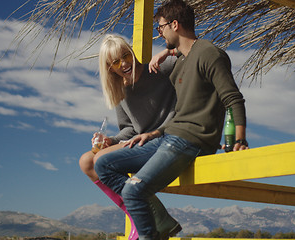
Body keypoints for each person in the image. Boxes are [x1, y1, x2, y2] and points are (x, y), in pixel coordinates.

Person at [94, 1, 249, 240]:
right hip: (169, 137)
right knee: (102, 164)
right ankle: (160, 226)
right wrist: (153, 133)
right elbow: (182, 112)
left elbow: (233, 98)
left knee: (134, 191)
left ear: (174, 25)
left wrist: (239, 139)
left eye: (161, 28)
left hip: (191, 141)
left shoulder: (209, 53)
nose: (159, 33)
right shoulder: (182, 63)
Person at [79, 34, 180, 240]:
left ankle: (153, 219)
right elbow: (129, 129)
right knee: (87, 161)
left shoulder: (159, 68)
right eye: (116, 61)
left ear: (131, 52)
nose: (124, 63)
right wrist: (111, 141)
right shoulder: (120, 89)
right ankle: (138, 217)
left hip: (166, 138)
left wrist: (169, 51)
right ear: (109, 67)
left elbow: (191, 54)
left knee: (101, 161)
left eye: (125, 55)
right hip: (141, 141)